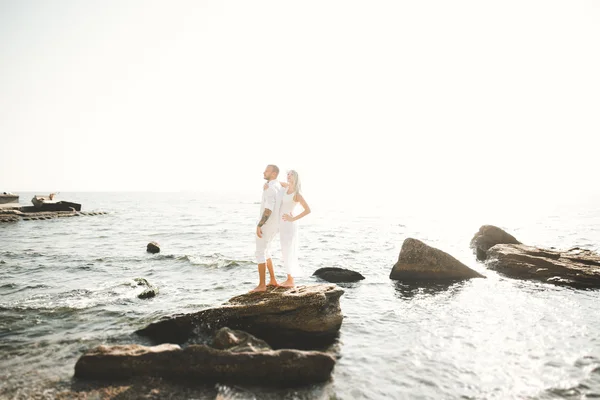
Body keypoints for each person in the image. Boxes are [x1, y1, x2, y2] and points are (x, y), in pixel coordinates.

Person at [274, 169, 311, 288]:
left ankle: (290, 280)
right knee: (284, 250)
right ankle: (289, 278)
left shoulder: (297, 194)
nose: (288, 176)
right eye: (287, 174)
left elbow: (307, 210)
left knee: (288, 250)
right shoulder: (285, 188)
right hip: (282, 223)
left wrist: (293, 219)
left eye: (291, 175)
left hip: (289, 224)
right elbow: (275, 182)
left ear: (295, 178)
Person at [251, 164, 283, 293]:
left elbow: (268, 208)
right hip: (276, 225)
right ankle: (273, 280)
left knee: (260, 252)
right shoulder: (278, 186)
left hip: (267, 224)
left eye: (267, 170)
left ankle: (262, 285)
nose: (263, 172)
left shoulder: (270, 188)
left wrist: (260, 225)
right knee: (267, 251)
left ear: (274, 173)